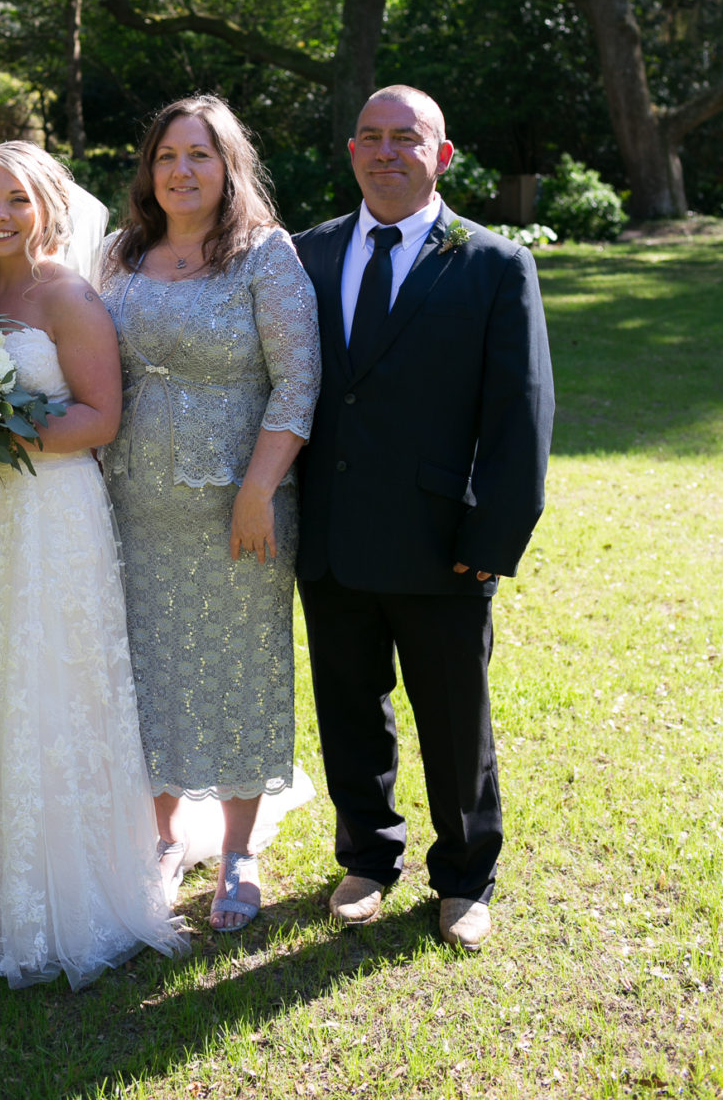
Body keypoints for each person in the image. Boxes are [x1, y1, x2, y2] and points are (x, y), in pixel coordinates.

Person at [0, 142, 187, 987]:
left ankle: (68, 883)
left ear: (47, 203)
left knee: (50, 678)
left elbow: (100, 417)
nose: (0, 213)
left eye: (16, 197)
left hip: (54, 514)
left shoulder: (69, 295)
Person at [293, 85, 554, 951]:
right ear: (352, 151)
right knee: (347, 706)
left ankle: (467, 875)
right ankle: (368, 855)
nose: (385, 150)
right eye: (369, 136)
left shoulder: (492, 263)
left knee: (453, 716)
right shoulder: (307, 254)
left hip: (443, 544)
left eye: (407, 137)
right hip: (330, 534)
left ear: (443, 156)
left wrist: (490, 545)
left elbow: (520, 418)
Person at [101, 96, 321, 933]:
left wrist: (260, 488)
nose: (180, 171)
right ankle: (161, 838)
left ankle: (237, 848)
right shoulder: (123, 253)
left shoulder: (264, 255)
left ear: (229, 166)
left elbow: (298, 381)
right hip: (131, 502)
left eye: (198, 154)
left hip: (239, 507)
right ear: (147, 171)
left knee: (238, 668)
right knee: (147, 667)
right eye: (165, 156)